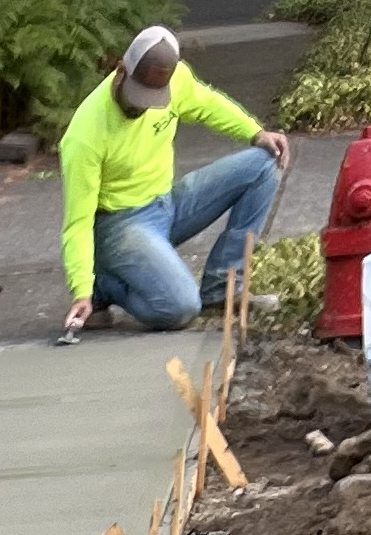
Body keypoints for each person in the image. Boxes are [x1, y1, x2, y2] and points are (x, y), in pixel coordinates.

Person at [57, 26, 289, 336]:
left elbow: (207, 104)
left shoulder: (176, 78)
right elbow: (78, 222)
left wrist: (256, 132)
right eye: (138, 95)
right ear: (121, 70)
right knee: (180, 307)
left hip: (168, 203)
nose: (141, 106)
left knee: (264, 162)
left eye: (152, 98)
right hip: (120, 227)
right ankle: (106, 286)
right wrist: (81, 290)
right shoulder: (85, 134)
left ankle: (221, 288)